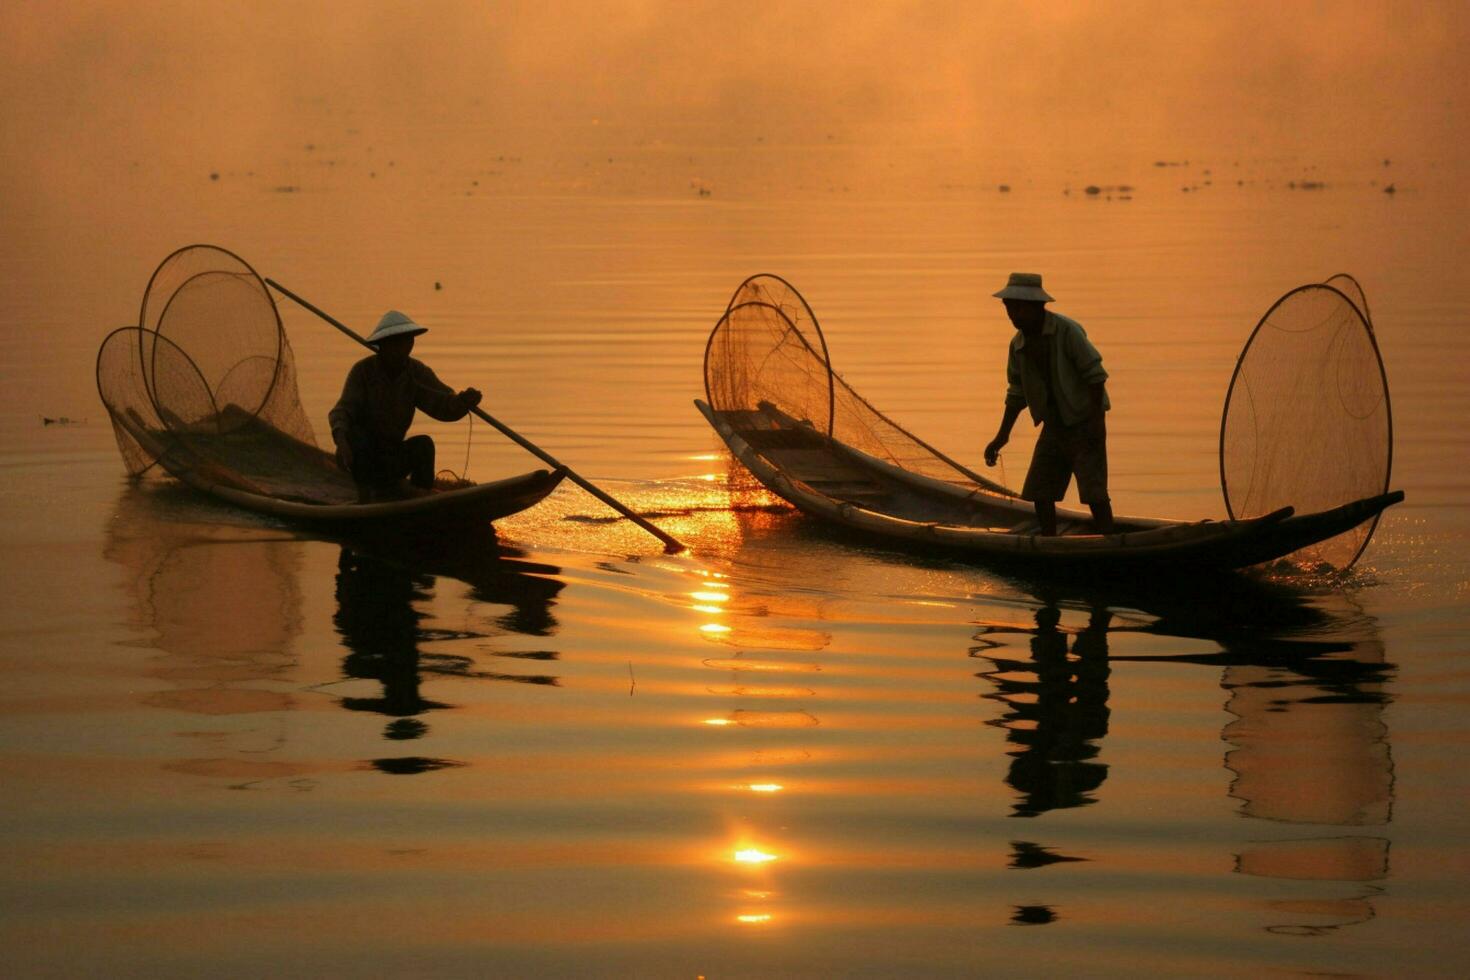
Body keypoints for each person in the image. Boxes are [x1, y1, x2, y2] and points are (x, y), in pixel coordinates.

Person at [982, 273, 1114, 535]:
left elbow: (1095, 377)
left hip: (1084, 420)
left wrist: (1095, 425)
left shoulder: (1067, 332)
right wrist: (1001, 437)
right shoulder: (1018, 344)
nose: (1012, 314)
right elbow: (1016, 394)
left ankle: (1111, 540)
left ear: (1035, 306)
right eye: (1008, 307)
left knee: (1093, 491)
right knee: (1040, 490)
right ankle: (1049, 540)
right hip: (1054, 425)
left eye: (1017, 307)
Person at [328, 310, 482, 501]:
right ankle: (366, 494)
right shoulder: (363, 372)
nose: (403, 348)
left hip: (392, 454)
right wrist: (341, 441)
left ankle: (420, 496)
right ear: (382, 345)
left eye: (408, 341)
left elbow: (443, 403)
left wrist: (464, 401)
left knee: (424, 445)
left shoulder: (416, 373)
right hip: (362, 456)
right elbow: (342, 410)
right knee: (357, 435)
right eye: (397, 343)